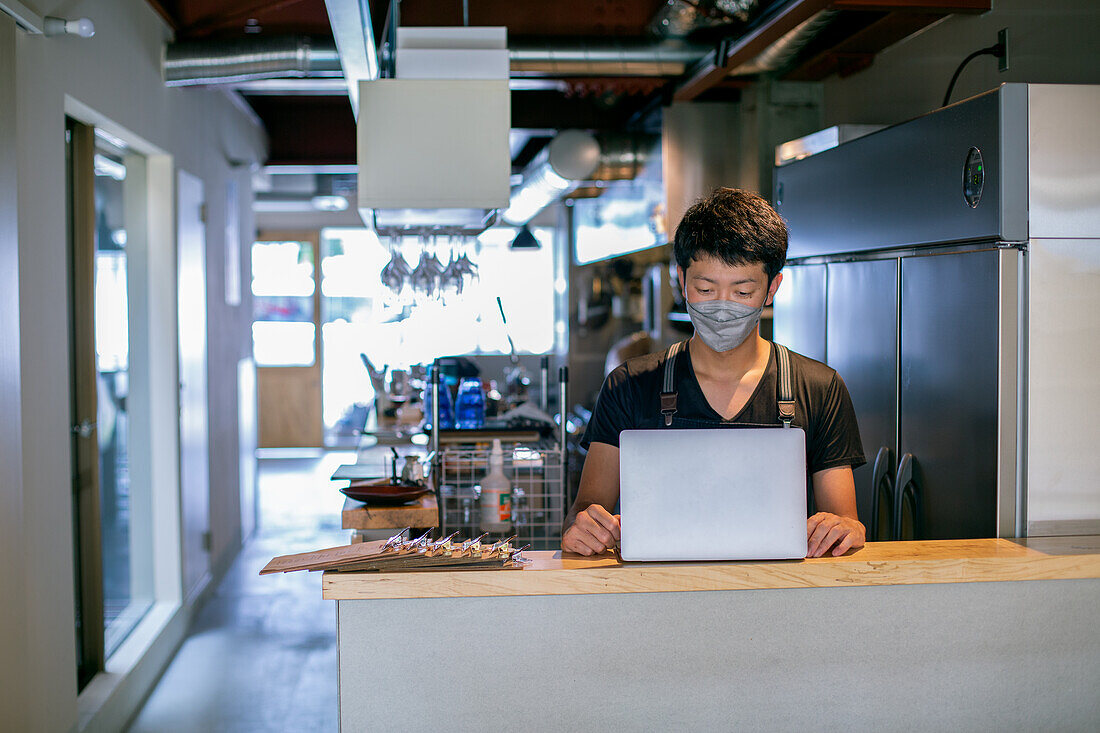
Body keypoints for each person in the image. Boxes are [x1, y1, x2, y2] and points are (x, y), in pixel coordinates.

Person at [563, 188, 866, 559]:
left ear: (772, 288)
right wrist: (584, 529)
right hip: (655, 599)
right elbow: (584, 512)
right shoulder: (629, 385)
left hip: (782, 599)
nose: (722, 308)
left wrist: (845, 528)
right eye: (705, 289)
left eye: (742, 291)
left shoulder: (820, 388)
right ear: (681, 280)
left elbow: (842, 521)